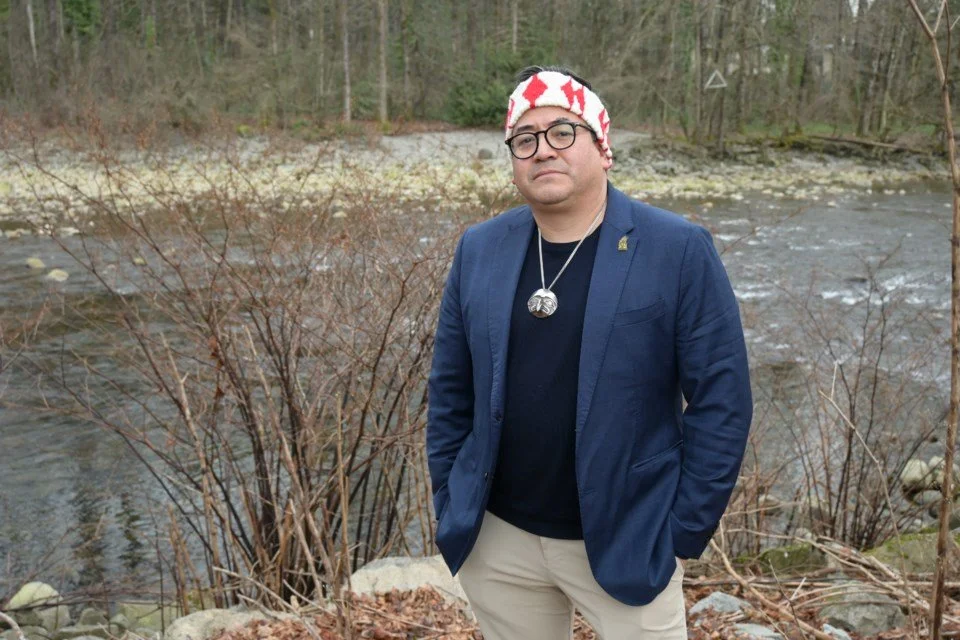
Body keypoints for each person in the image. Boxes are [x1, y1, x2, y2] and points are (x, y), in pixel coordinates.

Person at [426, 65, 752, 640]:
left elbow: (722, 399)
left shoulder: (676, 249)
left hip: (629, 537)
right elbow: (452, 389)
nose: (543, 150)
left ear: (603, 148)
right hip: (498, 542)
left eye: (562, 131)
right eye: (524, 139)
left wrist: (681, 531)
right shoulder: (480, 248)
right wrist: (451, 498)